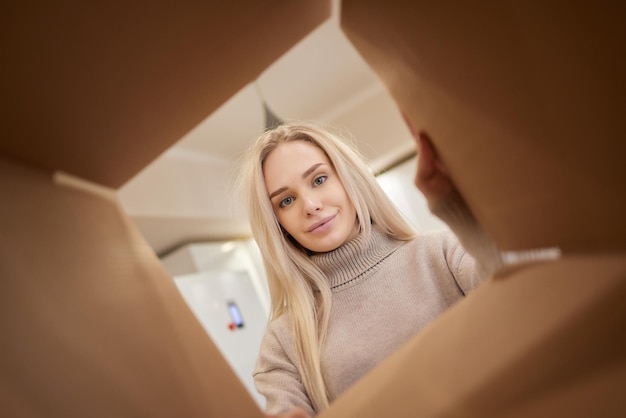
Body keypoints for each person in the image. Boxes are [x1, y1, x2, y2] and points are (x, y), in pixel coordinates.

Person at [236, 120, 502, 417]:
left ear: (348, 178)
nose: (310, 205)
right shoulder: (282, 341)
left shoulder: (442, 253)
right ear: (278, 225)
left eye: (319, 180)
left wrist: (463, 212)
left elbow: (530, 294)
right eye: (286, 200)